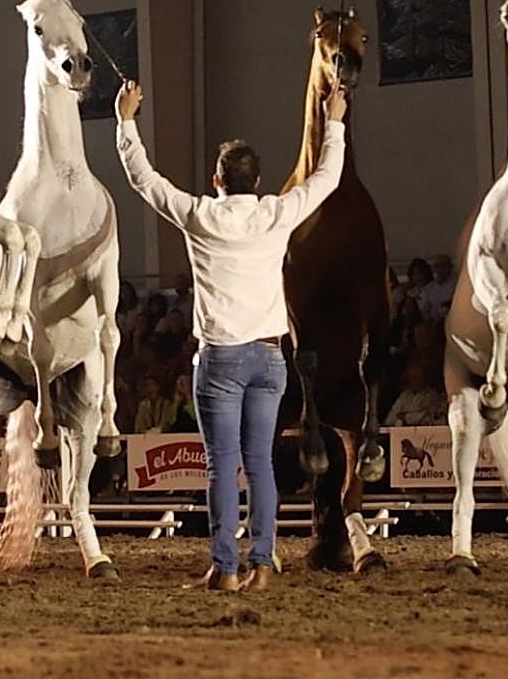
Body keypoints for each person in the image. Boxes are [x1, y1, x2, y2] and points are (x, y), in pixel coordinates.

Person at [114, 78, 347, 592]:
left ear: (217, 179)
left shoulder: (201, 214)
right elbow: (326, 178)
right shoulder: (275, 212)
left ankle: (225, 567)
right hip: (269, 360)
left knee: (223, 467)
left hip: (220, 359)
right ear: (257, 179)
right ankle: (262, 563)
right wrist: (334, 122)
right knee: (260, 462)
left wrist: (126, 121)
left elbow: (144, 180)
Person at [384, 361, 446, 426]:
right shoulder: (404, 396)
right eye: (412, 378)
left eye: (417, 378)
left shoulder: (431, 395)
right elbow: (389, 420)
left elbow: (424, 417)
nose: (414, 381)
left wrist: (405, 417)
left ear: (425, 378)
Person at [418, 254, 456, 324]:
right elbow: (423, 309)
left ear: (450, 266)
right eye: (437, 266)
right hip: (432, 324)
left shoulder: (457, 284)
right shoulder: (429, 288)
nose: (440, 269)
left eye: (443, 265)